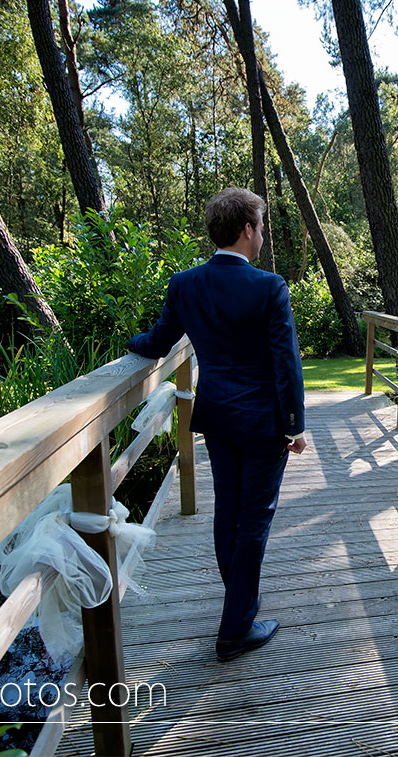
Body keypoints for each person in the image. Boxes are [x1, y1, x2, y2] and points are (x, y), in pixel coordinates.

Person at [128, 187, 306, 661]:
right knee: (255, 519)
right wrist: (296, 426)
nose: (263, 235)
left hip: (218, 418)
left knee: (228, 509)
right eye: (261, 226)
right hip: (265, 423)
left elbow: (158, 342)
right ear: (248, 229)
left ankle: (239, 600)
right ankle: (235, 628)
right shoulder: (270, 287)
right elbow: (286, 363)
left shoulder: (185, 284)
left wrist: (133, 341)